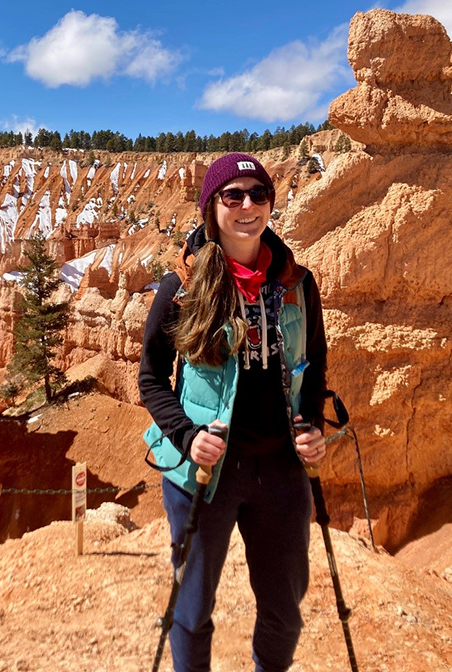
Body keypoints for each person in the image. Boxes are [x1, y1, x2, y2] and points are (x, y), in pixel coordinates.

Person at [139, 152, 328, 672]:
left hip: (281, 473)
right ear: (212, 206)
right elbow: (151, 378)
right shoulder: (181, 286)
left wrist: (311, 425)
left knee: (285, 614)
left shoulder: (296, 283)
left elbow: (314, 369)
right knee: (193, 609)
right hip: (203, 474)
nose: (248, 205)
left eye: (258, 194)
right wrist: (185, 436)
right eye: (233, 195)